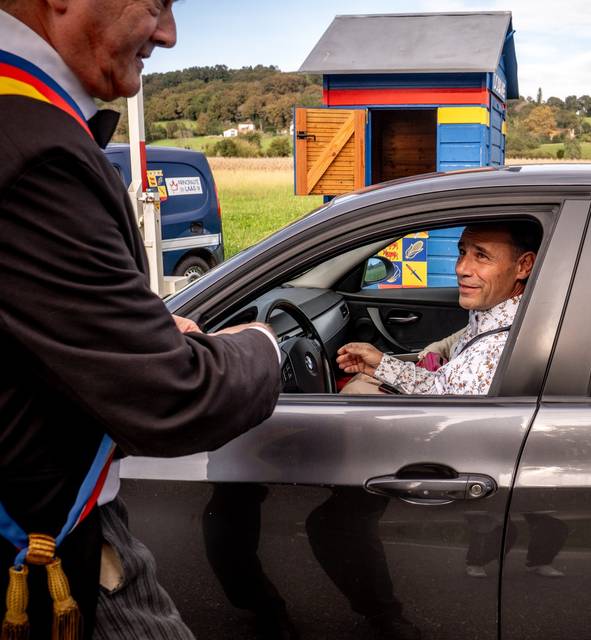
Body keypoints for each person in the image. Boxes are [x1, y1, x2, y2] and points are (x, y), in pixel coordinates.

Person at [0, 1, 282, 637]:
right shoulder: (34, 145)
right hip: (48, 544)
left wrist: (138, 336)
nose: (170, 34)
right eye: (156, 2)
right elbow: (171, 397)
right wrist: (261, 342)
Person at [337, 221, 540, 395]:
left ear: (523, 266)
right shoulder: (490, 314)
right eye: (462, 252)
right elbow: (441, 386)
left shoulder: (498, 350)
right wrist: (381, 364)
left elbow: (441, 416)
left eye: (482, 256)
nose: (461, 268)